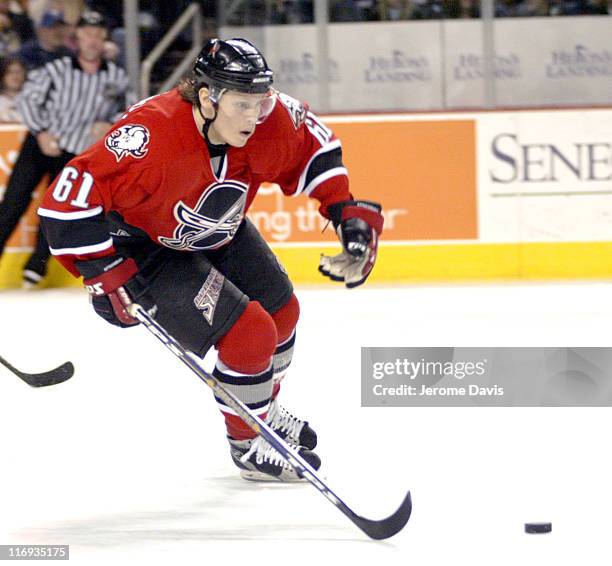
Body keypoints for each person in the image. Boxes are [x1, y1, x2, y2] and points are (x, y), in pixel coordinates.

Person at [38, 38, 383, 482]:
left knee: (283, 313)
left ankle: (260, 411)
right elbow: (65, 201)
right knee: (251, 333)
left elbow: (313, 150)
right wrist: (101, 272)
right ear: (207, 97)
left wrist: (343, 213)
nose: (255, 116)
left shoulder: (267, 116)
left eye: (260, 102)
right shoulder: (151, 135)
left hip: (218, 228)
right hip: (143, 248)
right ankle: (248, 444)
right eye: (242, 104)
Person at [0, 10, 132, 287]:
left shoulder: (116, 77)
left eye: (98, 34)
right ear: (78, 38)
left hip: (76, 154)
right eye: (87, 34)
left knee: (55, 212)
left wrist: (109, 123)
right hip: (40, 145)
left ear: (105, 38)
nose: (93, 40)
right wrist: (41, 130)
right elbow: (27, 100)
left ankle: (34, 269)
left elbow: (129, 111)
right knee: (13, 204)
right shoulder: (56, 69)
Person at [0, 56, 26, 122]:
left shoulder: (35, 99)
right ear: (3, 76)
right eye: (10, 72)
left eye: (19, 71)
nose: (15, 76)